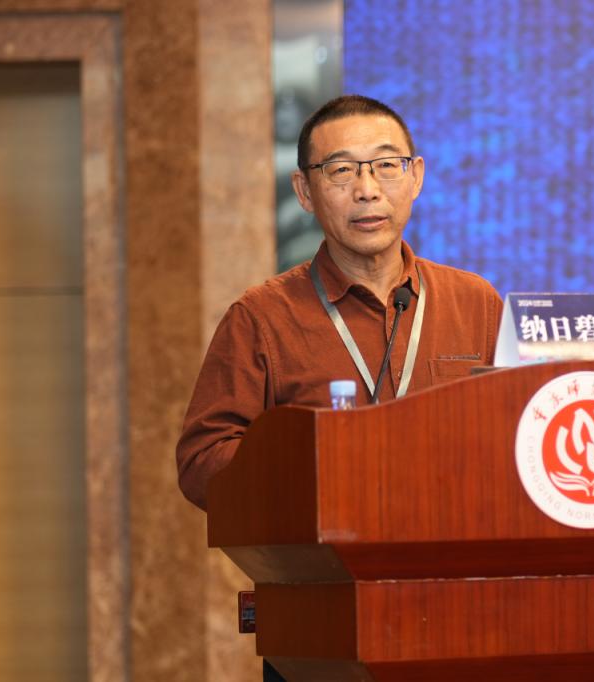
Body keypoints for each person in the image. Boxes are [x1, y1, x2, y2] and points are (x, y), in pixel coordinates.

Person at [176, 94, 503, 509]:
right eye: (341, 170)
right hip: (324, 546)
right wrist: (316, 461)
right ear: (304, 191)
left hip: (454, 542)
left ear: (416, 177)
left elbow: (517, 431)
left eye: (387, 165)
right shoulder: (260, 318)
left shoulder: (475, 302)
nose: (367, 191)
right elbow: (201, 465)